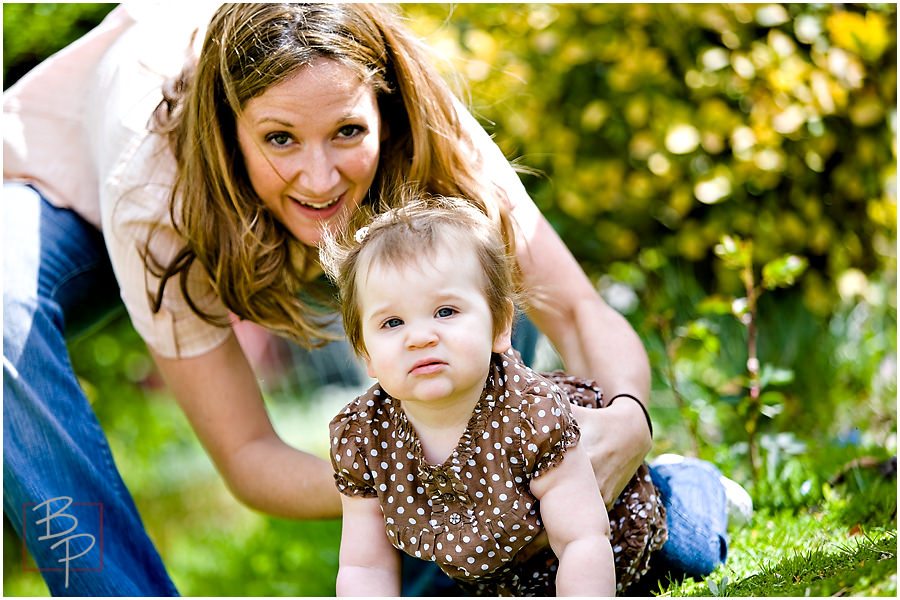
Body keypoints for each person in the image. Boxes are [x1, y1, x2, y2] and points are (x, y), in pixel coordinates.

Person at [2, 3, 734, 596]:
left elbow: (575, 309)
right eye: (282, 139)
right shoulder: (154, 189)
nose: (319, 181)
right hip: (52, 190)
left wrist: (628, 424)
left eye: (348, 132)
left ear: (384, 109)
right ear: (232, 135)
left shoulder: (422, 123)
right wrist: (424, 482)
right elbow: (249, 456)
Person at [321, 195, 668, 596]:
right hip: (500, 579)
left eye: (445, 311)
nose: (420, 337)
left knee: (687, 549)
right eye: (393, 322)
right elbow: (364, 567)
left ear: (500, 325)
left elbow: (581, 539)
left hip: (611, 542)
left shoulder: (529, 414)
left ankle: (691, 485)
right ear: (366, 354)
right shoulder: (365, 436)